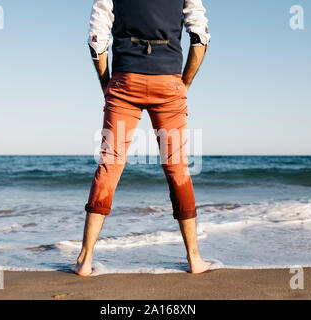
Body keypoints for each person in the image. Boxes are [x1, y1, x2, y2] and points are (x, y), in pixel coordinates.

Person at [75, 0, 211, 276]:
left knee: (110, 164)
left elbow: (96, 39)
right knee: (177, 167)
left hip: (125, 80)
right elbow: (200, 37)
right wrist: (183, 85)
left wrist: (107, 85)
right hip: (169, 81)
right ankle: (194, 259)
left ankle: (85, 260)